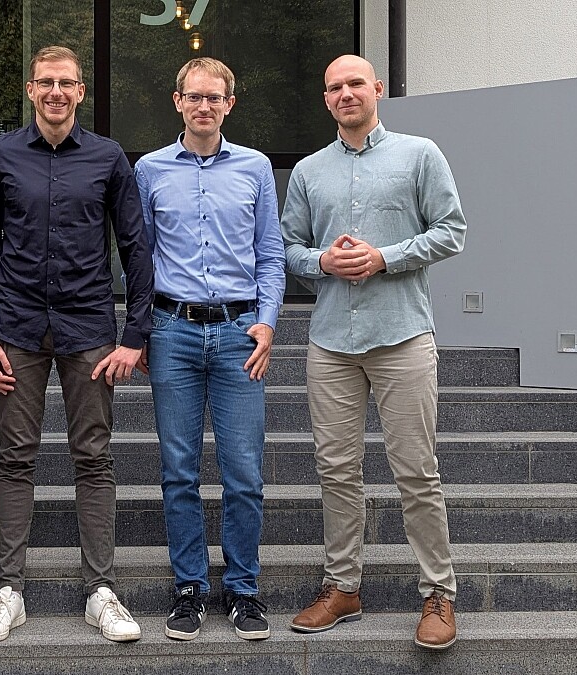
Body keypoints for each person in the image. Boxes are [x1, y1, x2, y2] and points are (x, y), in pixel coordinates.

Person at [0, 45, 154, 644]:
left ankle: (101, 590)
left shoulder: (107, 159)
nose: (55, 92)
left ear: (79, 91)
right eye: (45, 82)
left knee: (94, 458)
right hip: (17, 328)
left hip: (89, 332)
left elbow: (136, 247)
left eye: (65, 83)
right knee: (14, 455)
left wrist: (134, 335)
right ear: (30, 90)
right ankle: (8, 591)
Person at [281, 55, 466, 651]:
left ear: (377, 89)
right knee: (337, 472)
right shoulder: (309, 171)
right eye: (333, 87)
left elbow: (451, 230)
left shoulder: (419, 154)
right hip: (331, 340)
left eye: (354, 83)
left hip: (402, 336)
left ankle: (438, 592)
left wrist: (385, 256)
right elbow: (287, 248)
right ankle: (342, 588)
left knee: (417, 471)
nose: (344, 94)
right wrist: (322, 262)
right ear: (326, 99)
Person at [134, 57, 284, 642]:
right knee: (179, 470)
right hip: (171, 330)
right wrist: (139, 328)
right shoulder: (149, 169)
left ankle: (243, 588)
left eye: (213, 98)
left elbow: (270, 253)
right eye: (193, 97)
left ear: (229, 103)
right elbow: (139, 256)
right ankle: (190, 586)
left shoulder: (255, 169)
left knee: (244, 470)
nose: (203, 106)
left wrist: (268, 322)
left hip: (239, 333)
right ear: (177, 102)